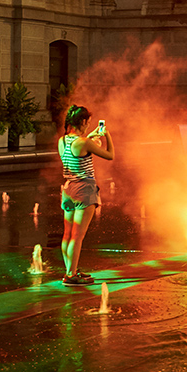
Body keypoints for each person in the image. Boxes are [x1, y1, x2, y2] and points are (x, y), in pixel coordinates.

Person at [58, 105, 115, 286]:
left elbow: (79, 145)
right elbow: (110, 155)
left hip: (68, 190)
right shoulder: (84, 143)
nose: (88, 125)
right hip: (84, 190)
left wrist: (89, 136)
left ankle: (70, 270)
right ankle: (71, 275)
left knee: (68, 234)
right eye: (87, 123)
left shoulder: (63, 141)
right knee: (78, 235)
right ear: (83, 122)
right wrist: (107, 136)